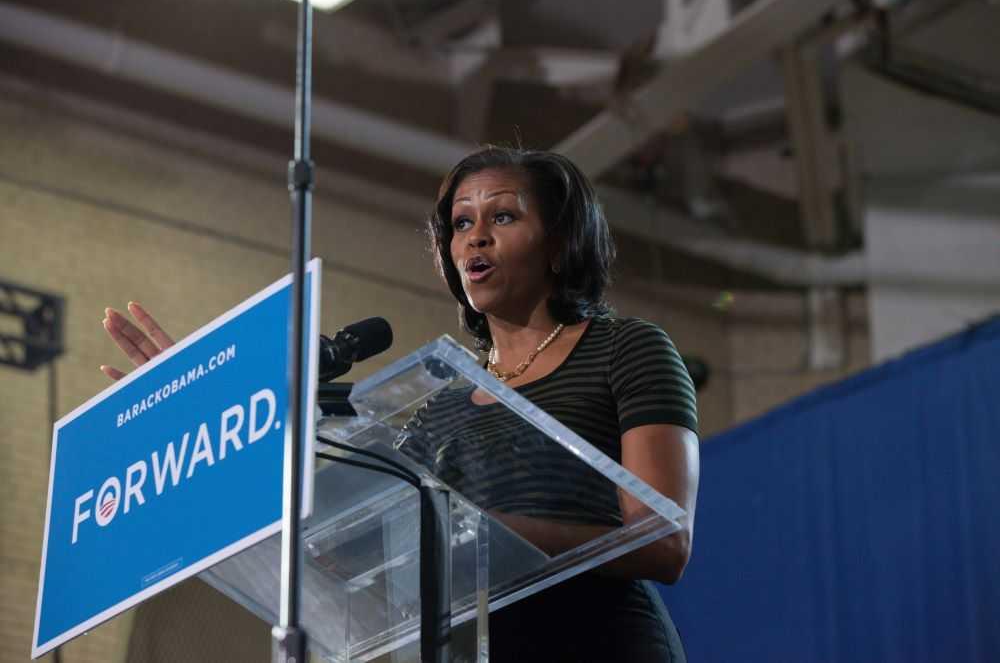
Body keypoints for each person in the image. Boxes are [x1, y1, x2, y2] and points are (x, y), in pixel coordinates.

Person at [100, 146, 700, 662]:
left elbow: (662, 543)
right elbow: (344, 556)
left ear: (560, 242)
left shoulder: (626, 348)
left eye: (504, 216)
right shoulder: (436, 408)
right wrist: (205, 418)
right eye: (461, 224)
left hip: (599, 643)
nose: (476, 237)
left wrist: (478, 536)